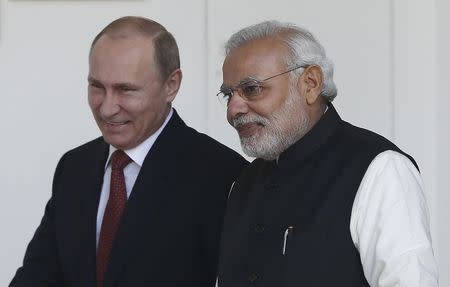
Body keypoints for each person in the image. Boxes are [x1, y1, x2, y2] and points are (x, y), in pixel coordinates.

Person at [10, 16, 247, 287]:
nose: (107, 108)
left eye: (126, 90)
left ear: (171, 85)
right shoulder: (74, 167)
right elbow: (38, 276)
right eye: (97, 86)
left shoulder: (222, 176)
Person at [216, 20, 438, 287]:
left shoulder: (379, 168)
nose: (234, 110)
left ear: (310, 83)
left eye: (252, 89)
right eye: (229, 94)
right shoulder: (244, 182)